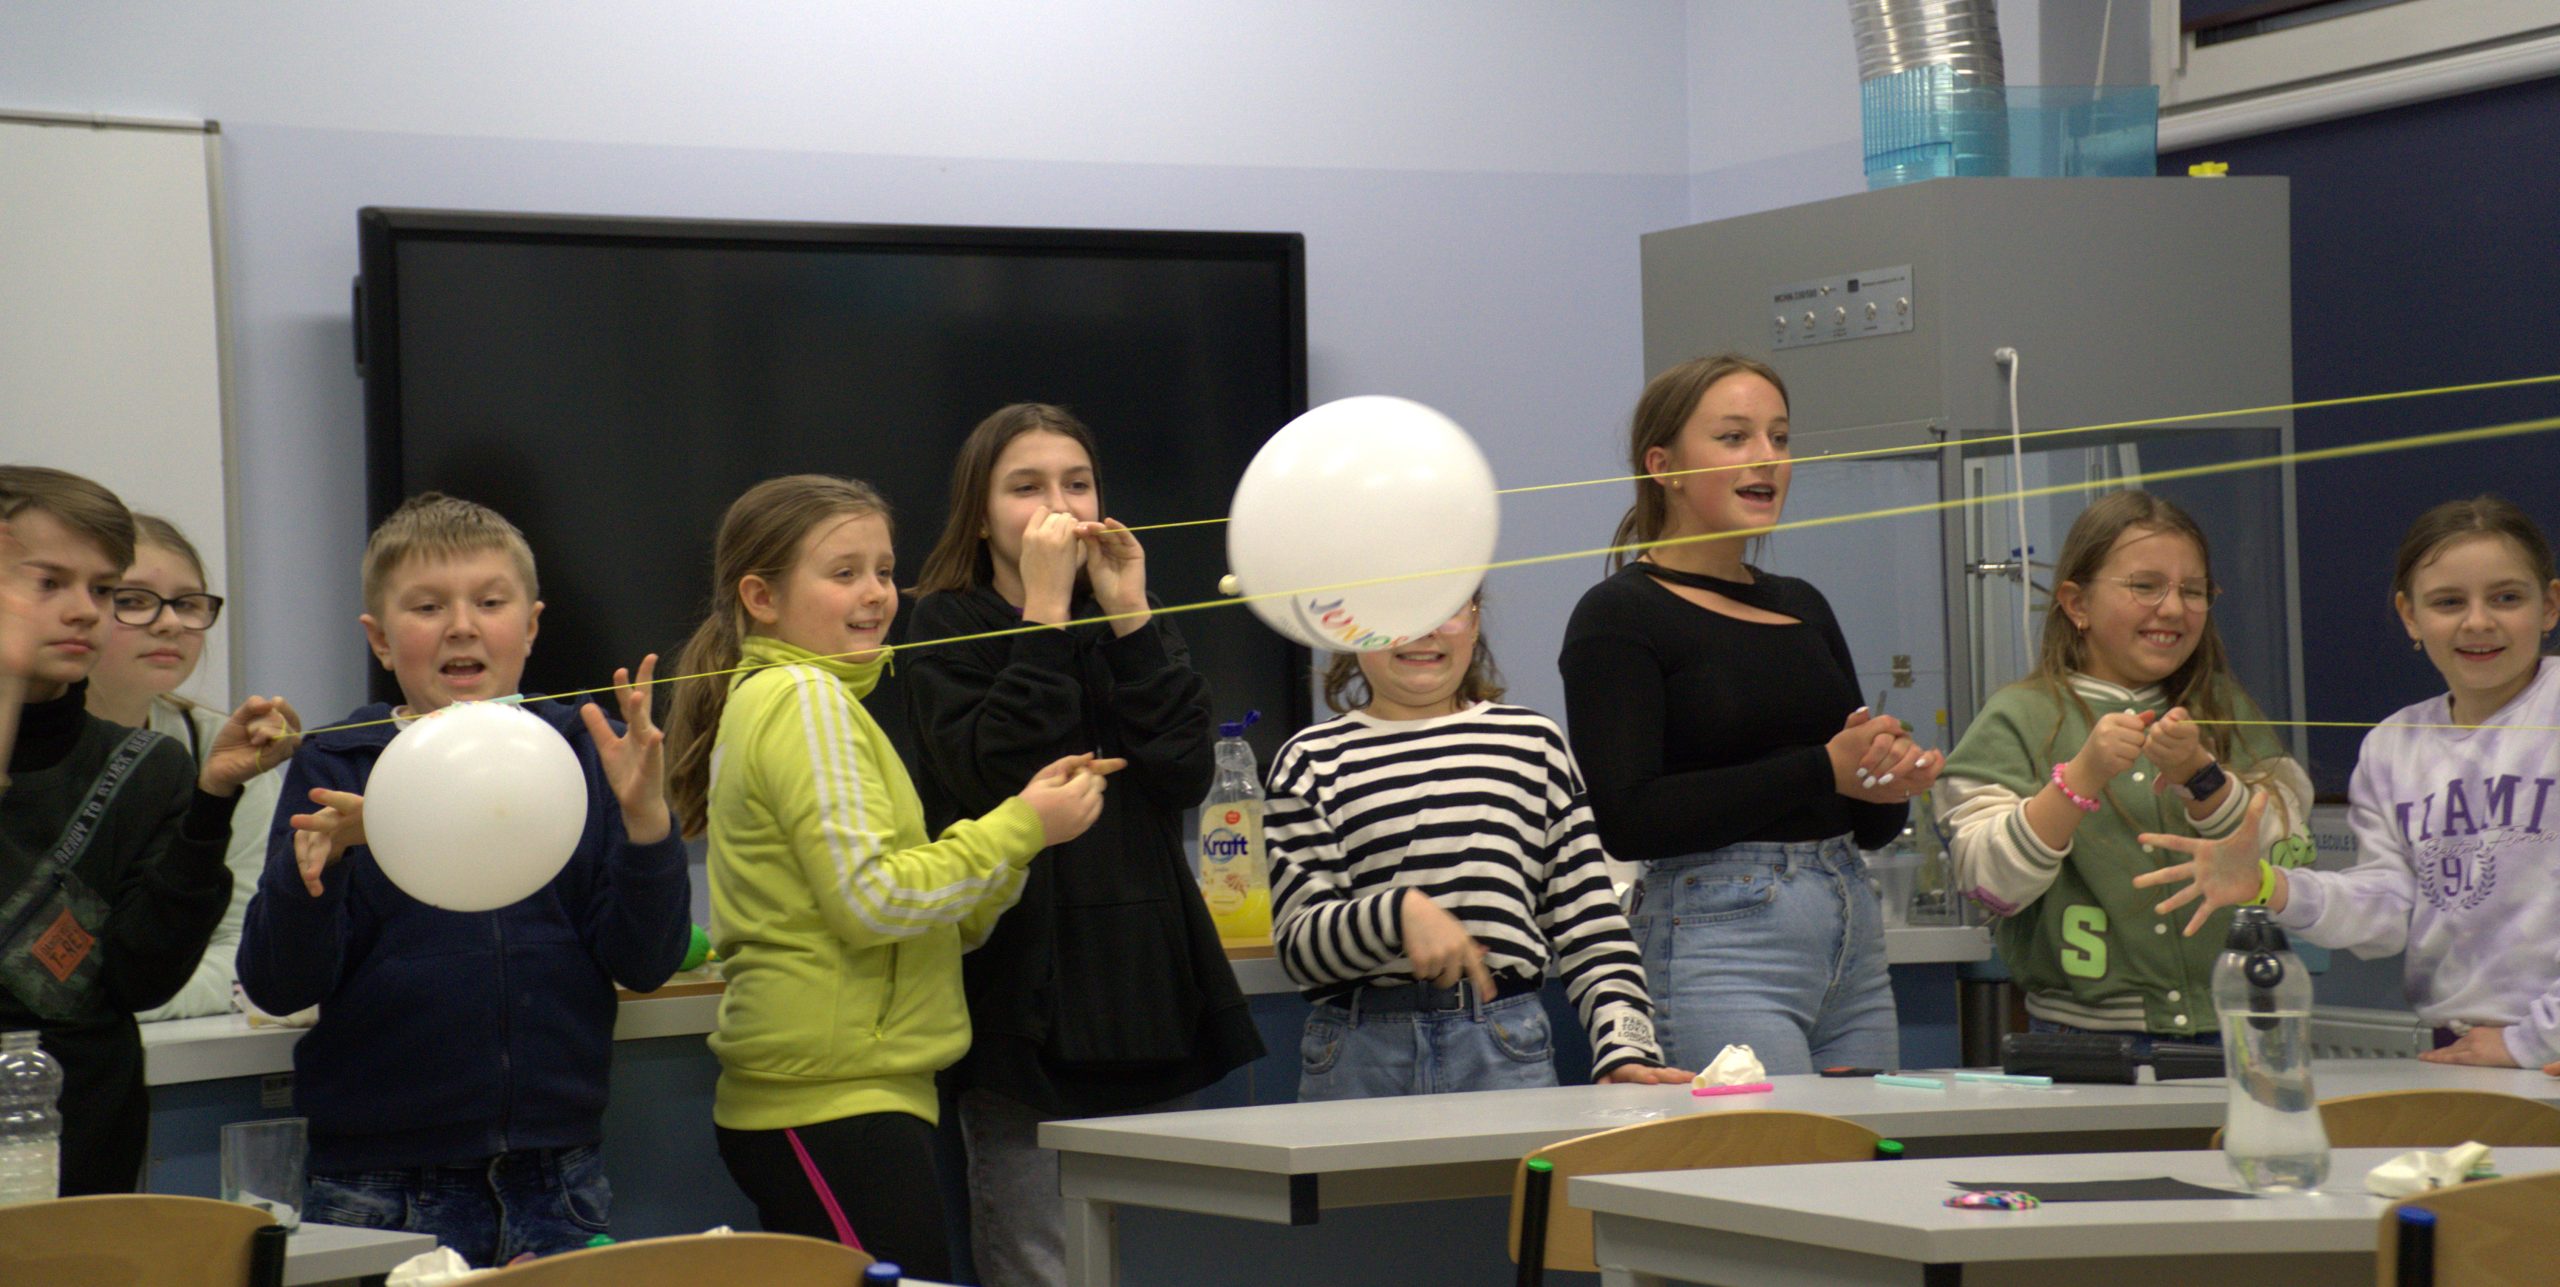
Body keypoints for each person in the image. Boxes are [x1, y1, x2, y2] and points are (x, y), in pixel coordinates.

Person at [663, 473, 1119, 1281]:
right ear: (761, 597)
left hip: (854, 1098)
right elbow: (873, 900)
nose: (875, 593)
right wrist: (1020, 825)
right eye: (843, 573)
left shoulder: (812, 699)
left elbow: (922, 914)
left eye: (882, 569)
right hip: (830, 1103)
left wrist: (1020, 836)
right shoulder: (803, 698)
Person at [237, 494, 689, 1267]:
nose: (461, 625)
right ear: (381, 639)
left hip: (557, 1176)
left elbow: (646, 961)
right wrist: (321, 866)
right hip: (379, 1184)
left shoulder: (586, 752)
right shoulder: (338, 763)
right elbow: (278, 984)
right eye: (426, 606)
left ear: (531, 625)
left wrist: (648, 822)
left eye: (490, 601)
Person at [902, 405, 1260, 1285]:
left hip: (1147, 983)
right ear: (979, 513)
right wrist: (1047, 612)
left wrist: (1132, 615)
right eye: (1026, 488)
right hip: (1021, 996)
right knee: (1042, 1258)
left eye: (1077, 483)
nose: (1058, 507)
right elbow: (997, 775)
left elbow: (1184, 771)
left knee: (1161, 1257)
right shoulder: (944, 621)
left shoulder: (1132, 612)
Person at [1560, 355, 1929, 1076]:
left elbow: (1868, 823)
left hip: (1851, 937)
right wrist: (1820, 768)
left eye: (1779, 437)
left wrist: (1886, 779)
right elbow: (1628, 818)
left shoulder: (1802, 603)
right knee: (1771, 1146)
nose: (1767, 457)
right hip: (1721, 950)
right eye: (1734, 437)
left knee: (1869, 1149)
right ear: (1664, 466)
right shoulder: (1619, 614)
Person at [2138, 495, 2559, 1068]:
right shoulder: (2394, 745)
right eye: (2449, 602)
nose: (2478, 621)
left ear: (2549, 605)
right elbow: (2384, 911)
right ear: (2410, 616)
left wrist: (2530, 1042)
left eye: (2507, 598)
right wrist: (2267, 884)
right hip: (2464, 1048)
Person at [0, 466, 295, 1193]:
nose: (83, 611)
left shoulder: (148, 765)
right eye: (50, 583)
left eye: (103, 590)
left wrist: (211, 804)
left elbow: (141, 976)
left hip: (85, 1143)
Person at [1266, 592, 1685, 1098]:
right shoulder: (1310, 759)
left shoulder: (1531, 744)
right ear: (1351, 625)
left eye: (1445, 606)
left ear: (1474, 619)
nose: (1424, 629)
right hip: (1358, 1052)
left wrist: (1628, 1045)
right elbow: (1299, 948)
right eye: (1398, 609)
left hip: (1503, 1044)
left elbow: (1590, 923)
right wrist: (1398, 915)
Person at [1936, 489, 2310, 1051]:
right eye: (2145, 586)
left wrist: (2203, 779)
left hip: (2238, 1023)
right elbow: (1987, 885)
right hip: (2084, 1037)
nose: (2173, 609)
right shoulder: (2019, 717)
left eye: (2193, 590)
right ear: (2077, 604)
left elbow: (2291, 857)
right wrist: (2078, 780)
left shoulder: (2225, 708)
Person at [84, 514, 284, 1020]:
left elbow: (248, 945)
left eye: (188, 603)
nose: (170, 623)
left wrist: (108, 1005)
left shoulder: (228, 750)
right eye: (133, 601)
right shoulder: (17, 747)